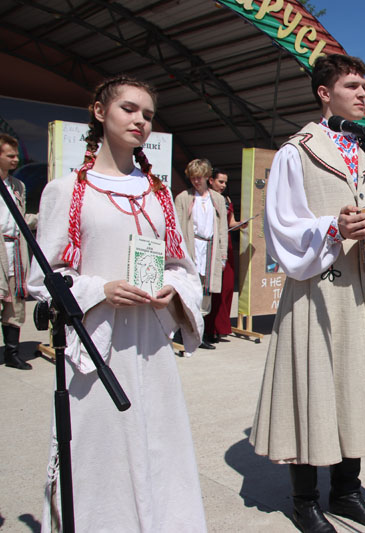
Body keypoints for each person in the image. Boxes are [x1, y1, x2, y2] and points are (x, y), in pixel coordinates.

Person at [27, 75, 206, 532]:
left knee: (158, 447)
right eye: (129, 109)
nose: (140, 120)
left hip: (150, 344)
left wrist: (172, 289)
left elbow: (183, 267)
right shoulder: (67, 191)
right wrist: (98, 290)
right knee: (97, 452)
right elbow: (43, 277)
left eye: (147, 114)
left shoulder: (158, 193)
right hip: (96, 346)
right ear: (99, 112)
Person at [249, 54, 365, 533]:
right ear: (324, 92)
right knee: (312, 387)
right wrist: (333, 227)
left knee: (357, 385)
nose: (364, 94)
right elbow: (281, 227)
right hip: (316, 293)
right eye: (354, 85)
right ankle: (304, 501)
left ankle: (345, 490)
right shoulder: (296, 152)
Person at [174, 158, 228, 352]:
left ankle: (200, 333)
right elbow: (178, 227)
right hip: (192, 246)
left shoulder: (217, 199)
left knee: (206, 293)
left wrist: (223, 255)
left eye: (200, 178)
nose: (196, 181)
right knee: (189, 290)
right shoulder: (183, 198)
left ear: (207, 177)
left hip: (210, 249)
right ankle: (184, 331)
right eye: (193, 178)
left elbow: (222, 229)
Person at [0, 134, 37, 370]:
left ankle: (12, 353)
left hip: (15, 250)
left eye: (16, 155)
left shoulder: (18, 186)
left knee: (15, 306)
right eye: (10, 155)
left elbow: (20, 218)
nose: (16, 159)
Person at [206, 168, 247, 343]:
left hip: (227, 244)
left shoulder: (227, 200)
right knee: (212, 288)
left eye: (225, 182)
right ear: (211, 180)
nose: (223, 185)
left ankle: (220, 327)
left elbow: (231, 222)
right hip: (213, 243)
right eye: (220, 181)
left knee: (227, 287)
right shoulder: (205, 198)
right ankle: (208, 329)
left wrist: (241, 224)